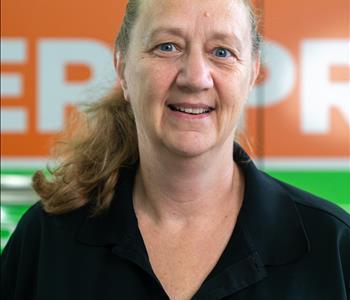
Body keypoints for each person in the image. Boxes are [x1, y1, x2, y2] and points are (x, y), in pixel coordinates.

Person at [1, 0, 349, 299]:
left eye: (222, 52)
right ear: (122, 68)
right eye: (167, 46)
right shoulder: (48, 241)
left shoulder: (333, 247)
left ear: (252, 73)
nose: (195, 77)